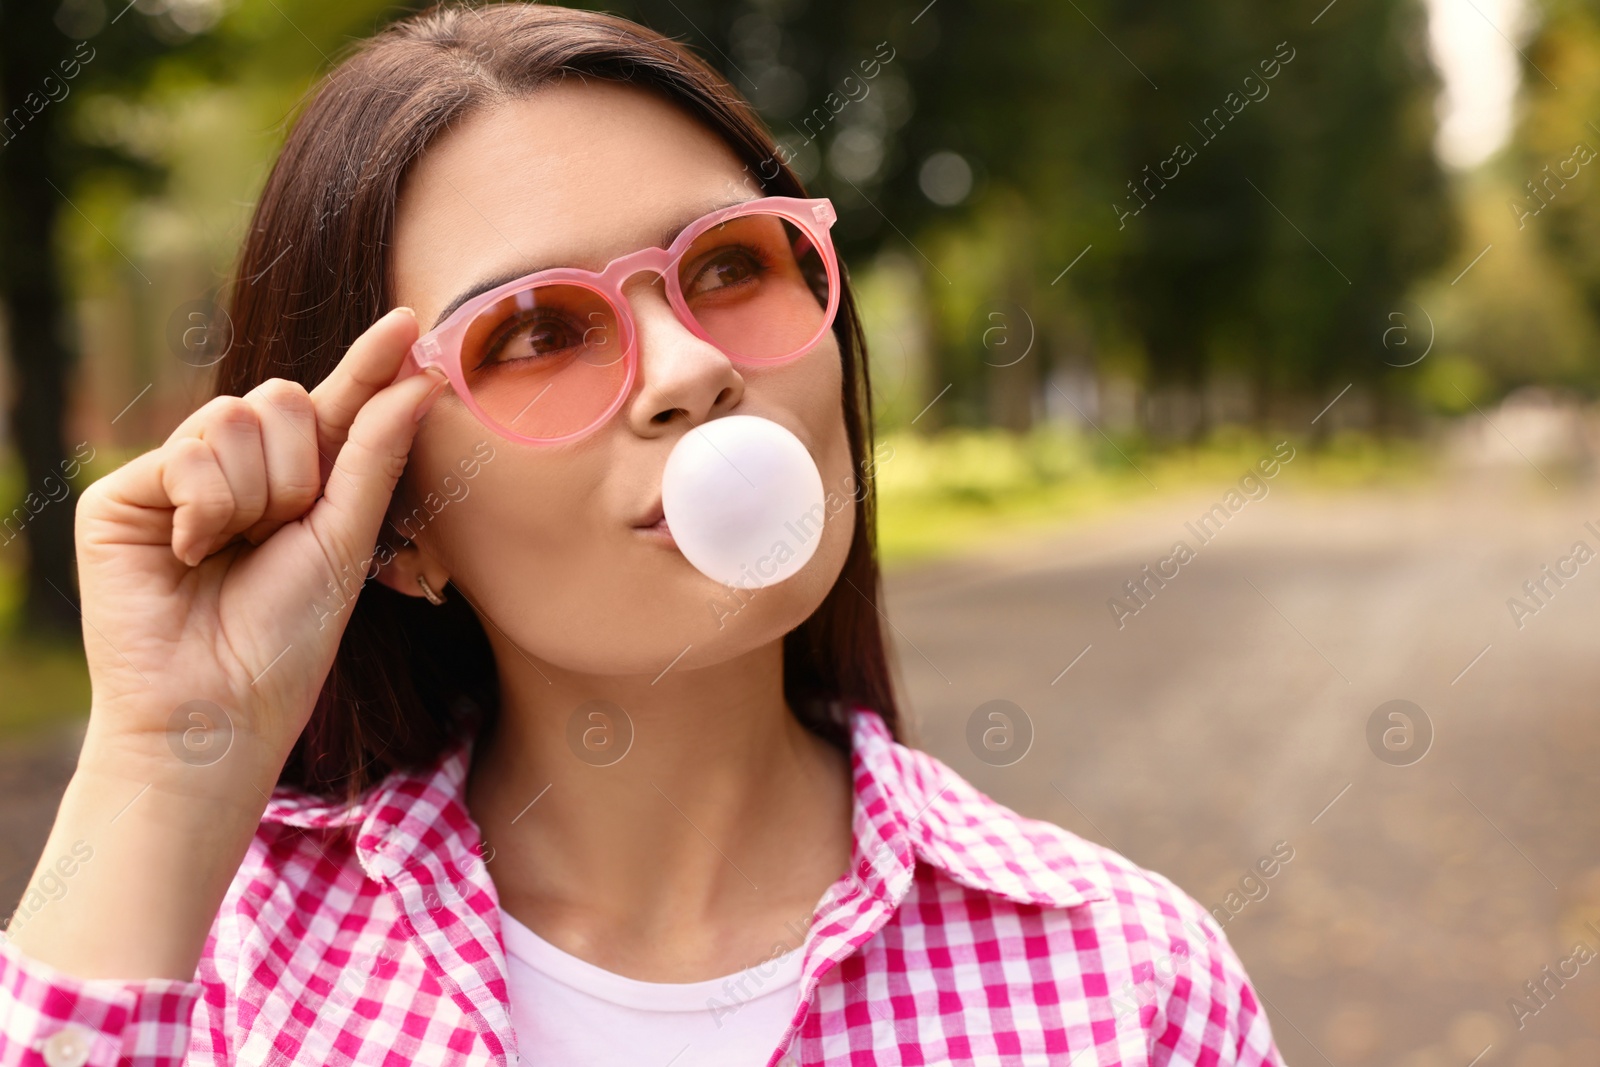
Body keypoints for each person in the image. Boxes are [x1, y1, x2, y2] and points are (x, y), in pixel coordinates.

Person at [0, 4, 1287, 1065]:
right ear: (391, 525)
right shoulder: (225, 962)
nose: (689, 364)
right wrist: (168, 759)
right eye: (539, 333)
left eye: (730, 265)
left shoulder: (1128, 989)